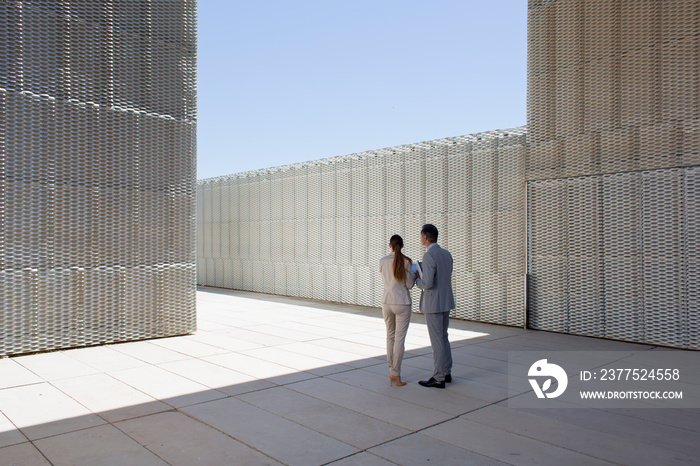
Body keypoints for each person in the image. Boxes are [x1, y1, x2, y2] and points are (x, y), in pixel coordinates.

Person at [414, 224, 454, 389]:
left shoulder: (429, 256)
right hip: (445, 301)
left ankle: (438, 377)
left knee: (436, 340)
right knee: (444, 337)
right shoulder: (446, 254)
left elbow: (428, 283)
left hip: (433, 303)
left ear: (425, 238)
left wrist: (417, 279)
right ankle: (446, 371)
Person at [379, 234, 415, 386]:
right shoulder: (406, 262)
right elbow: (409, 285)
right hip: (402, 302)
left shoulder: (383, 261)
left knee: (390, 336)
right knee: (399, 339)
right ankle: (396, 373)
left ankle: (390, 370)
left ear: (390, 246)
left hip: (387, 301)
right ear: (402, 245)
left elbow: (385, 279)